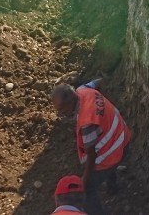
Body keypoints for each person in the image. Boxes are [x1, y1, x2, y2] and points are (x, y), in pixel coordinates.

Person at [51, 82, 130, 215]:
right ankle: (112, 187)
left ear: (71, 100)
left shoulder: (87, 123)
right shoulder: (83, 90)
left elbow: (91, 155)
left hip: (113, 152)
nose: (61, 114)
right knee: (111, 163)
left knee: (88, 190)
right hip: (123, 137)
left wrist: (84, 181)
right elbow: (96, 82)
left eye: (63, 110)